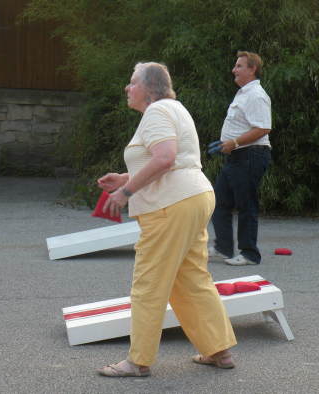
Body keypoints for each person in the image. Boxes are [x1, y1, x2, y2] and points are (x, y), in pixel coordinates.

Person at [96, 62, 237, 377]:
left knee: (149, 283)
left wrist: (127, 192)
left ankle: (138, 361)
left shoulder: (156, 112)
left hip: (170, 206)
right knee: (190, 278)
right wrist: (124, 178)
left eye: (132, 83)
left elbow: (165, 157)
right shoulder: (175, 109)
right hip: (193, 197)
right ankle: (219, 350)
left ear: (148, 88)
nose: (127, 88)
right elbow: (171, 160)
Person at [209, 51, 272, 266]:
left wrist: (234, 143)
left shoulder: (256, 95)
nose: (233, 70)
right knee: (219, 201)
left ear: (252, 69)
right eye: (235, 66)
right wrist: (228, 143)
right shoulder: (243, 93)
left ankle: (249, 254)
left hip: (251, 155)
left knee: (246, 205)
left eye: (238, 66)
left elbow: (263, 128)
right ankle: (224, 248)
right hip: (237, 156)